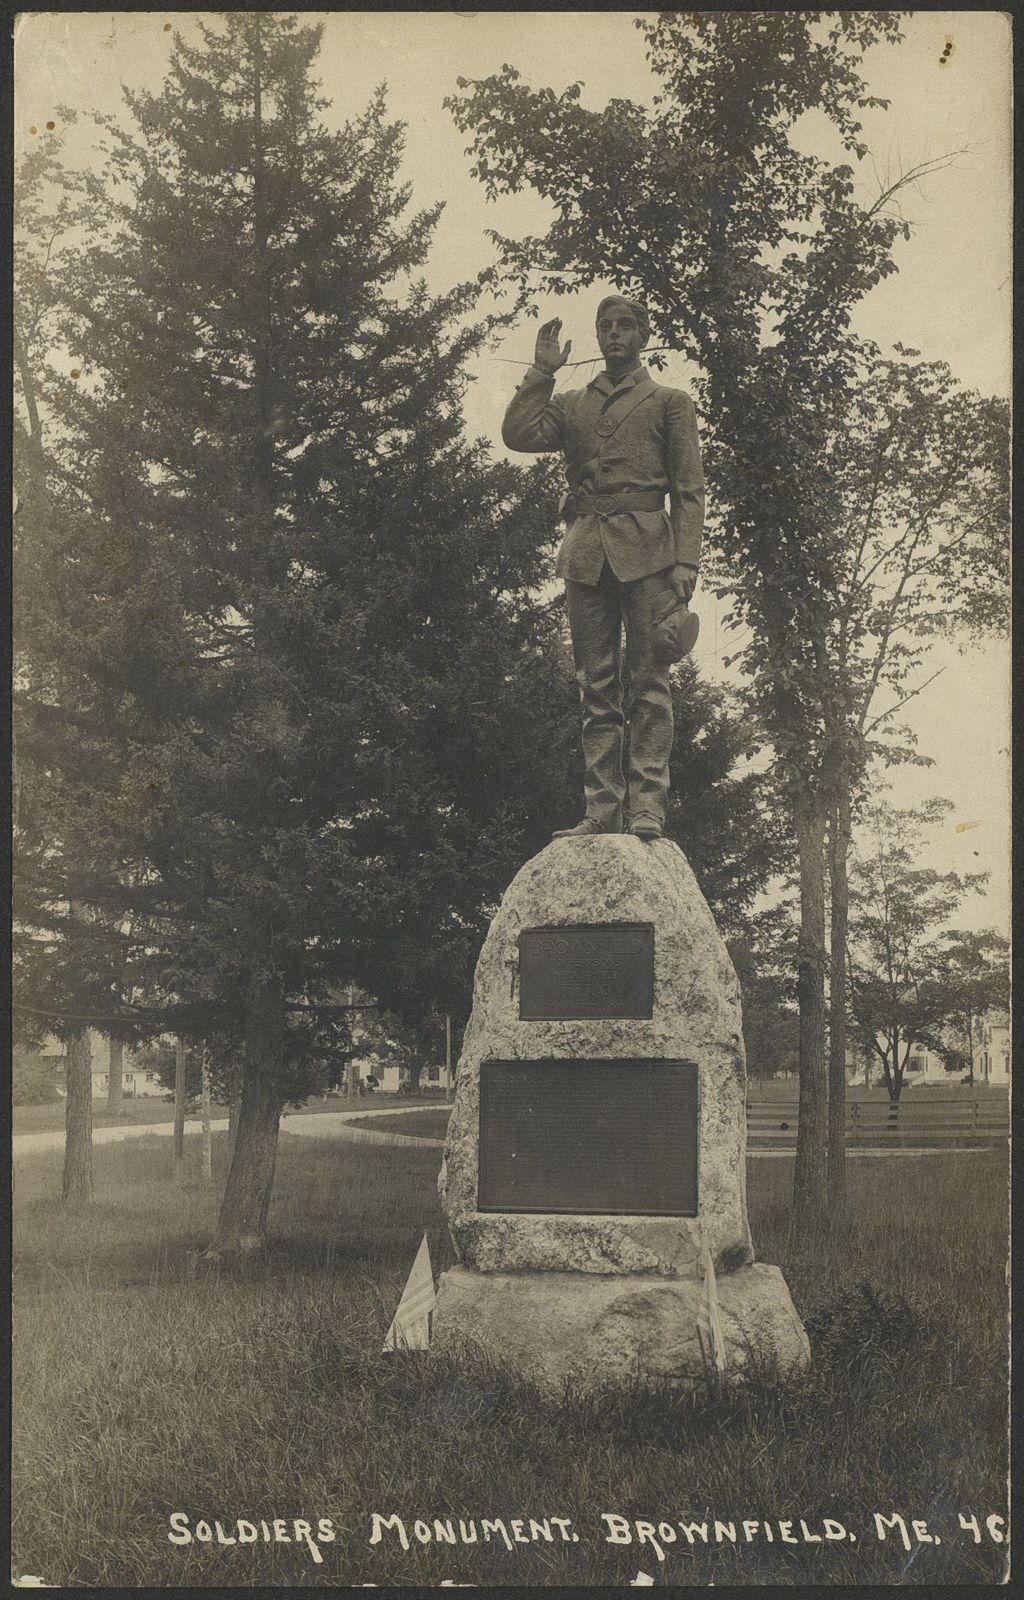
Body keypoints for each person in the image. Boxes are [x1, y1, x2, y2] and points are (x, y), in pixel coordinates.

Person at [502, 295, 705, 840]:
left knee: (650, 682)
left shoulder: (669, 402)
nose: (614, 334)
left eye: (626, 326)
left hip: (649, 554)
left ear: (644, 335)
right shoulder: (573, 404)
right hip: (586, 553)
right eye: (606, 326)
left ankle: (647, 808)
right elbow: (519, 435)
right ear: (597, 335)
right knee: (595, 686)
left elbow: (688, 490)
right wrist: (542, 372)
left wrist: (686, 562)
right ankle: (601, 810)